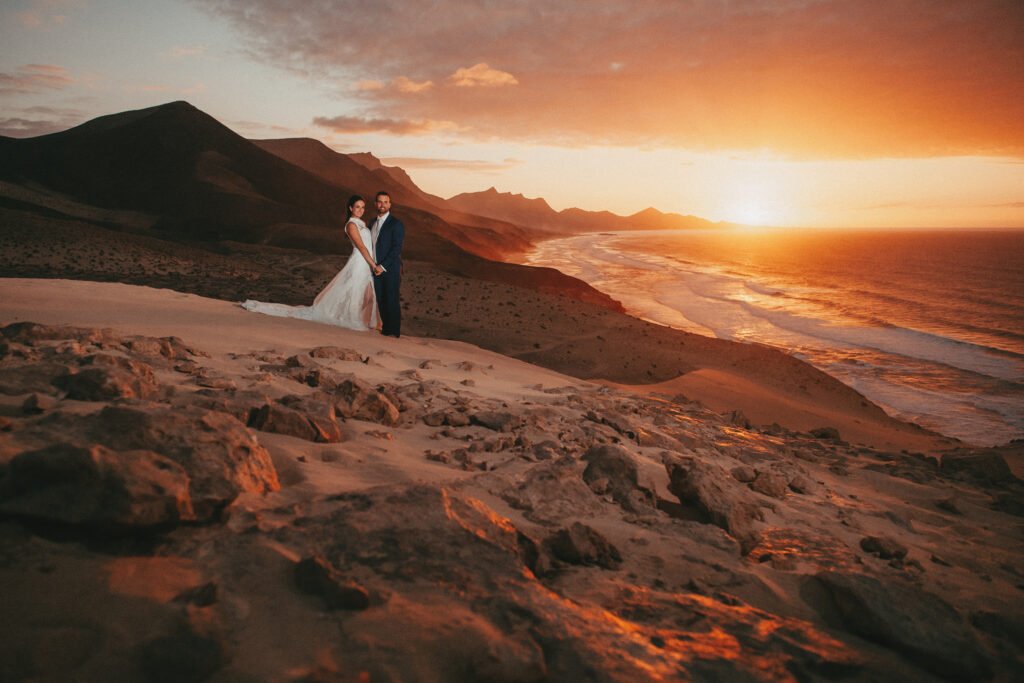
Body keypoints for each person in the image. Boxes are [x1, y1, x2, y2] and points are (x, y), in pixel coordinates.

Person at [241, 195, 383, 330]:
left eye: (363, 207)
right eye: (357, 207)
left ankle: (368, 321)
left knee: (366, 293)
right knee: (356, 291)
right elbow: (361, 247)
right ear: (350, 208)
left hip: (366, 262)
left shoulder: (361, 223)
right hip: (360, 262)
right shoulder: (351, 225)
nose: (360, 210)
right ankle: (353, 319)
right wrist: (373, 265)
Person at [370, 191, 405, 337]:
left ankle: (394, 333)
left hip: (390, 269)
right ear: (375, 204)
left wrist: (382, 266)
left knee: (391, 299)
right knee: (380, 299)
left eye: (385, 202)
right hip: (375, 268)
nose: (382, 204)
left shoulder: (396, 224)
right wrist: (374, 266)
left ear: (389, 204)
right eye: (379, 201)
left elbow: (396, 248)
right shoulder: (371, 223)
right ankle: (386, 330)